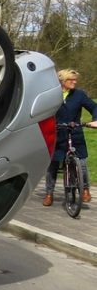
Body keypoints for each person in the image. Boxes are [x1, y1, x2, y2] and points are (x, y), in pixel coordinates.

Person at [43, 68, 97, 206]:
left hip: (75, 133)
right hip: (57, 133)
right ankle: (49, 193)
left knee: (82, 163)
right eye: (71, 79)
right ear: (62, 81)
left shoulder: (79, 95)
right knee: (53, 164)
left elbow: (94, 107)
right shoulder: (52, 95)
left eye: (75, 79)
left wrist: (95, 119)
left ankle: (85, 189)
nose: (74, 82)